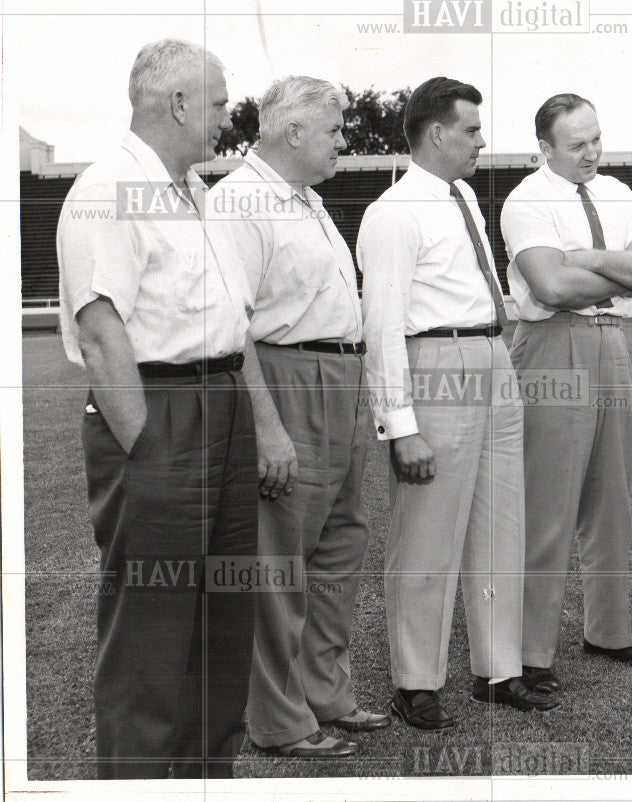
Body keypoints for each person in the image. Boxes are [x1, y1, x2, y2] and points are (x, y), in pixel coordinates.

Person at [56, 39, 257, 778]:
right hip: (158, 409)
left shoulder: (194, 190)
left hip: (222, 404)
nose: (226, 118)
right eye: (217, 103)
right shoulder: (108, 188)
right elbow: (104, 336)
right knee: (153, 628)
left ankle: (206, 779)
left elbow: (227, 319)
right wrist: (148, 453)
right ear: (177, 104)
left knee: (224, 619)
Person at [357, 76, 559, 730]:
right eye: (471, 130)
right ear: (438, 133)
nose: (480, 140)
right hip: (435, 362)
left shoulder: (465, 195)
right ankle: (415, 680)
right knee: (426, 532)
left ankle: (498, 671)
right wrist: (400, 426)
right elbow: (382, 325)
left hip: (492, 356)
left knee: (502, 520)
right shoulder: (393, 212)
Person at [208, 76, 390, 759]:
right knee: (278, 557)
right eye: (336, 130)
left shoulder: (306, 199)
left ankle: (326, 694)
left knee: (339, 547)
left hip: (339, 377)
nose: (344, 140)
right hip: (287, 379)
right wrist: (267, 425)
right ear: (293, 133)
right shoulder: (240, 202)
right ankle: (278, 720)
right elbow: (236, 326)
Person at [499, 93, 632, 697]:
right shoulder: (527, 200)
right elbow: (551, 285)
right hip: (552, 345)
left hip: (611, 343)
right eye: (577, 145)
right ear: (544, 148)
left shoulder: (618, 192)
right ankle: (529, 650)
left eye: (597, 139)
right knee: (547, 503)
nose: (591, 153)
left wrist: (592, 259)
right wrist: (618, 269)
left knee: (612, 495)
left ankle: (609, 631)